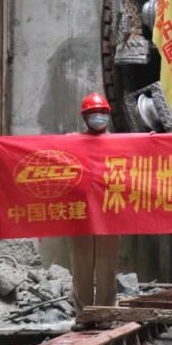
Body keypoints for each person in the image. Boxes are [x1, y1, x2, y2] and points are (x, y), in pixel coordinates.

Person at [69, 93, 120, 330]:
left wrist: (149, 141)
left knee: (107, 265)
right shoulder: (72, 142)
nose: (98, 117)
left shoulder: (121, 144)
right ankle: (84, 316)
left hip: (109, 212)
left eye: (101, 112)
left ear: (108, 115)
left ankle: (105, 313)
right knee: (81, 265)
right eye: (93, 113)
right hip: (80, 213)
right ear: (85, 117)